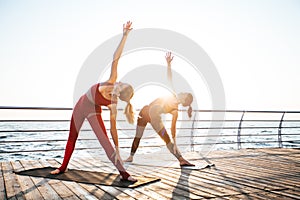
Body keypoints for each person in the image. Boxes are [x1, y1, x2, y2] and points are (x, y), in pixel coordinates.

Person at [51, 21, 137, 182]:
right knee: (72, 136)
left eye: (120, 86)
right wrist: (125, 36)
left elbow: (113, 129)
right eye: (121, 83)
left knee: (105, 142)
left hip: (92, 111)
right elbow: (115, 57)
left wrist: (117, 148)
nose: (118, 83)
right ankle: (63, 167)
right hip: (80, 105)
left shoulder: (113, 104)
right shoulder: (112, 79)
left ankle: (124, 173)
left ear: (119, 93)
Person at [124, 52, 195, 167]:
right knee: (138, 136)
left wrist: (175, 141)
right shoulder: (172, 92)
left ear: (184, 100)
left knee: (166, 139)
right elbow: (169, 78)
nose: (182, 92)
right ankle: (131, 156)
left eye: (185, 94)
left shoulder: (175, 110)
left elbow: (173, 127)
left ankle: (181, 159)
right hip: (144, 112)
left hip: (154, 118)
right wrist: (168, 65)